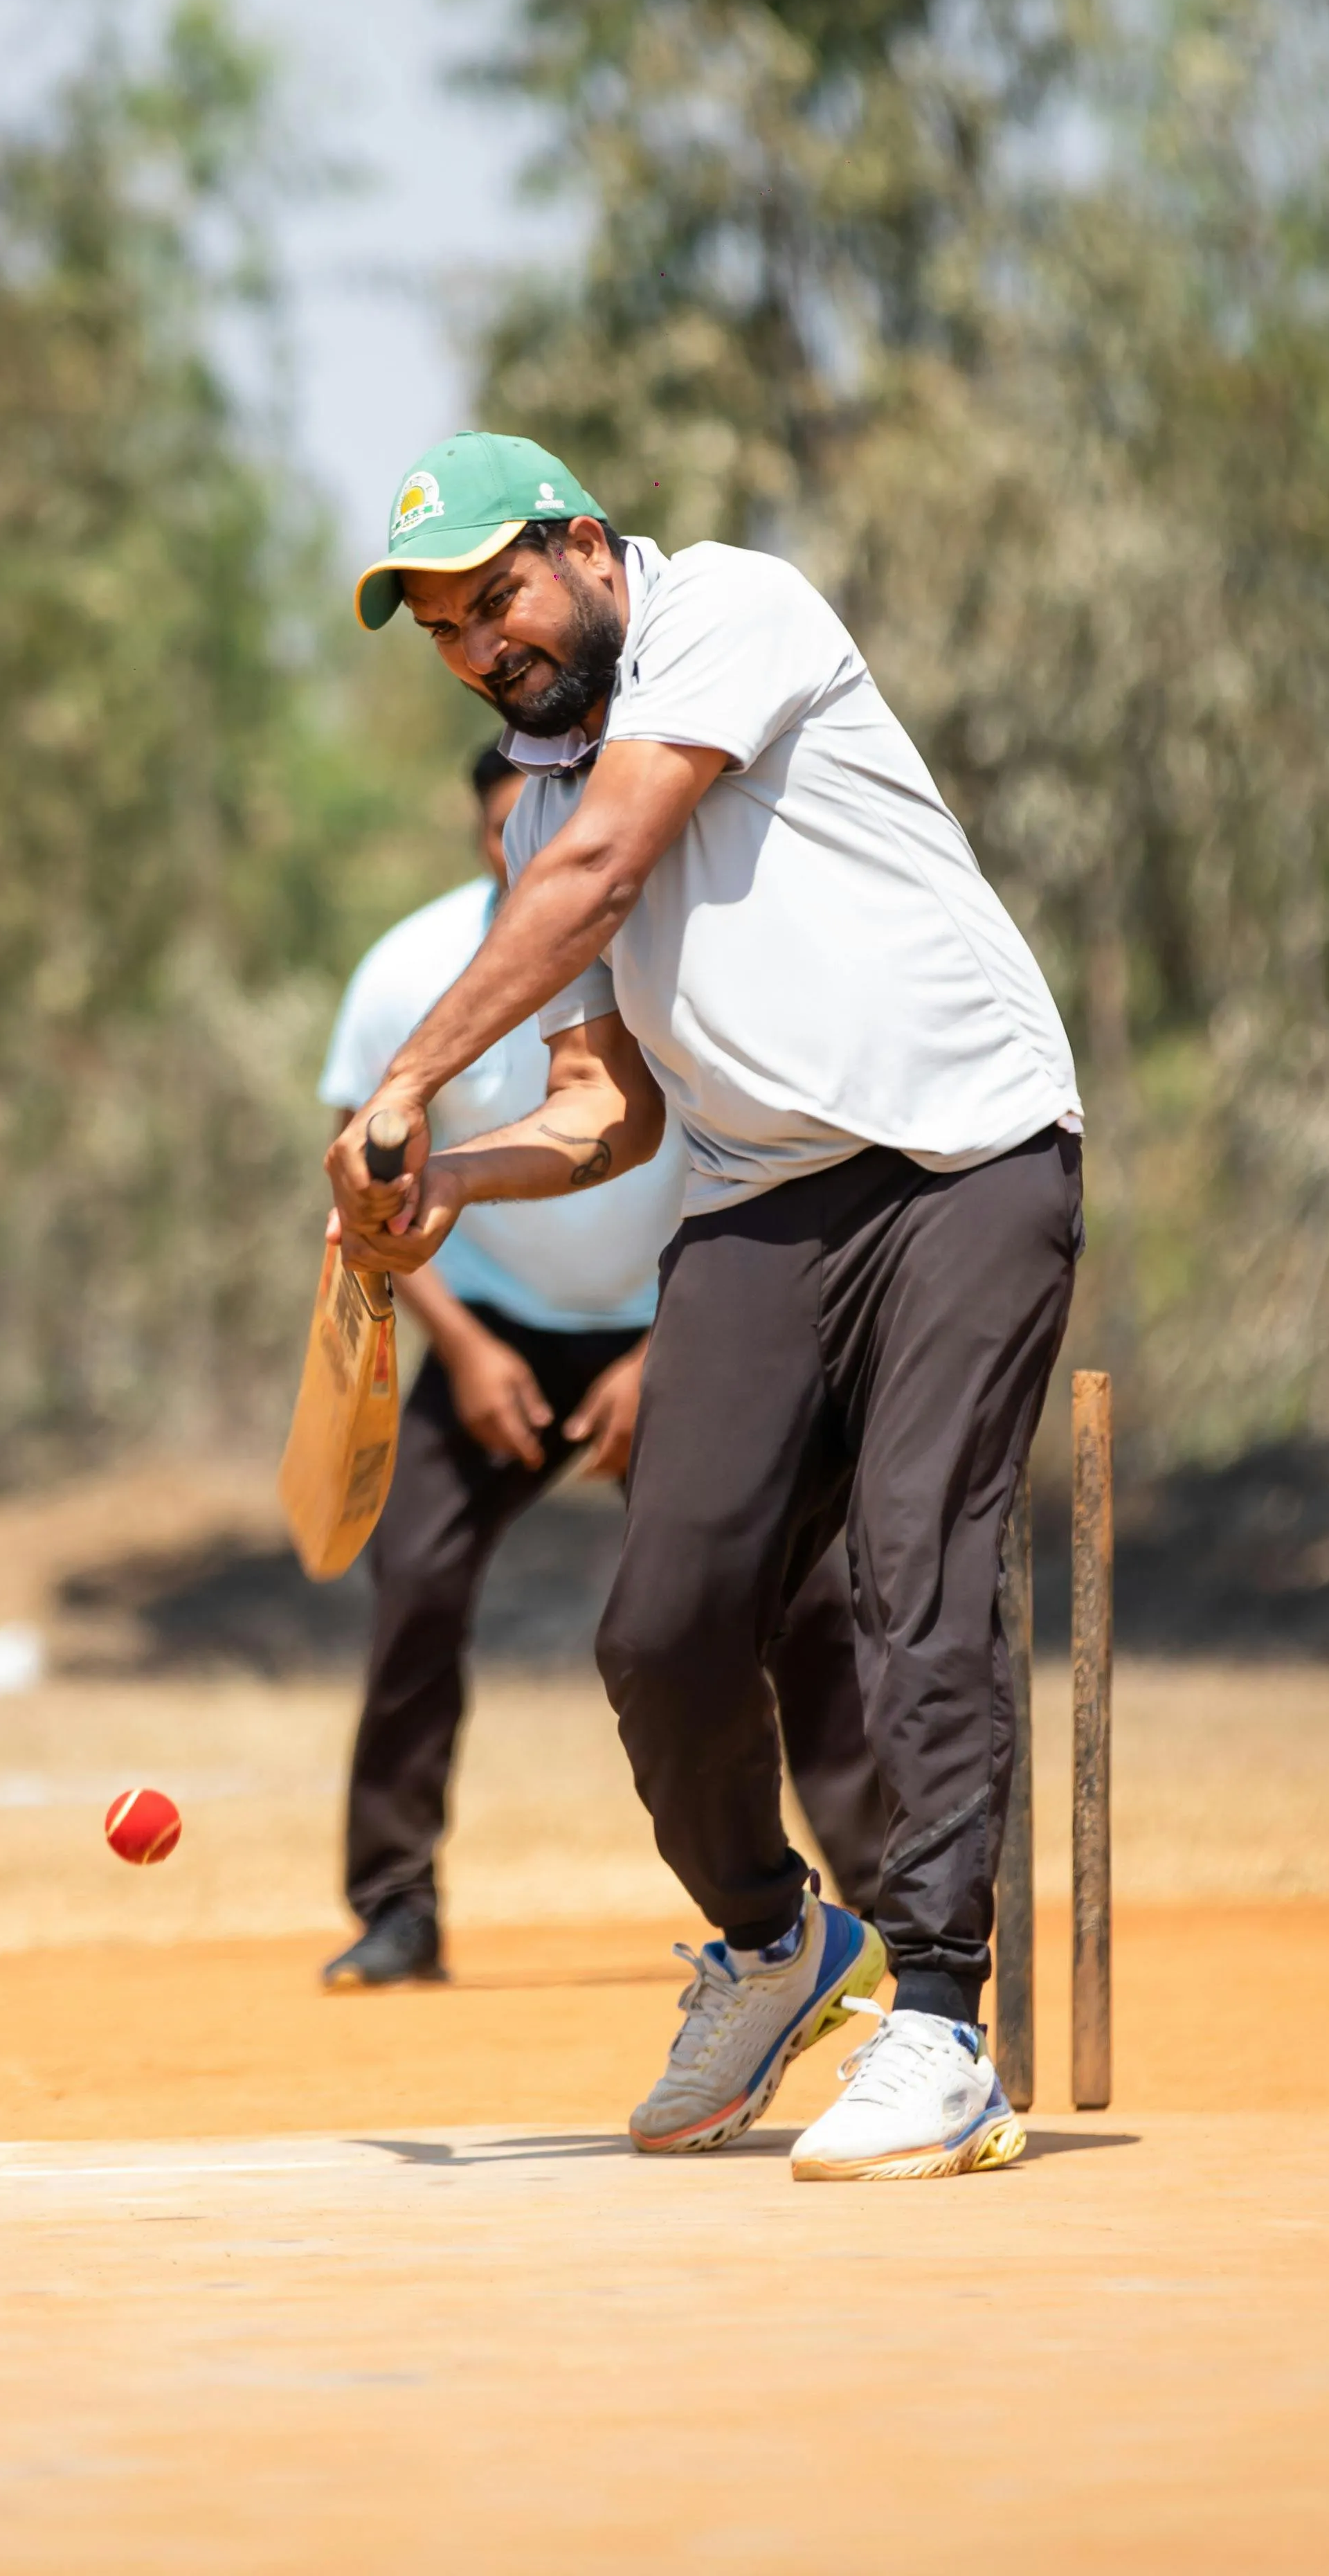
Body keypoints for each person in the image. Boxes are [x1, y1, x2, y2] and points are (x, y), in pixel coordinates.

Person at [327, 431, 1083, 2183]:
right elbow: (609, 1110)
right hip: (758, 1201)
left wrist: (407, 1089)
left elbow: (601, 877)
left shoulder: (731, 609)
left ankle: (945, 2027)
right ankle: (771, 1942)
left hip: (965, 1154)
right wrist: (455, 1183)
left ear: (588, 546)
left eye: (495, 598)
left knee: (916, 1571)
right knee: (662, 1625)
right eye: (442, 630)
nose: (480, 647)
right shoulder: (533, 795)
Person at [315, 742, 895, 1992]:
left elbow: (747, 1154)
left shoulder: (680, 959)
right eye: (515, 838)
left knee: (796, 1597)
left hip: (680, 1318)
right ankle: (395, 1910)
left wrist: (657, 1353)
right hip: (491, 1326)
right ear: (492, 846)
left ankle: (890, 1897)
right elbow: (362, 1182)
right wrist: (463, 1350)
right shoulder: (410, 975)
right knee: (413, 1582)